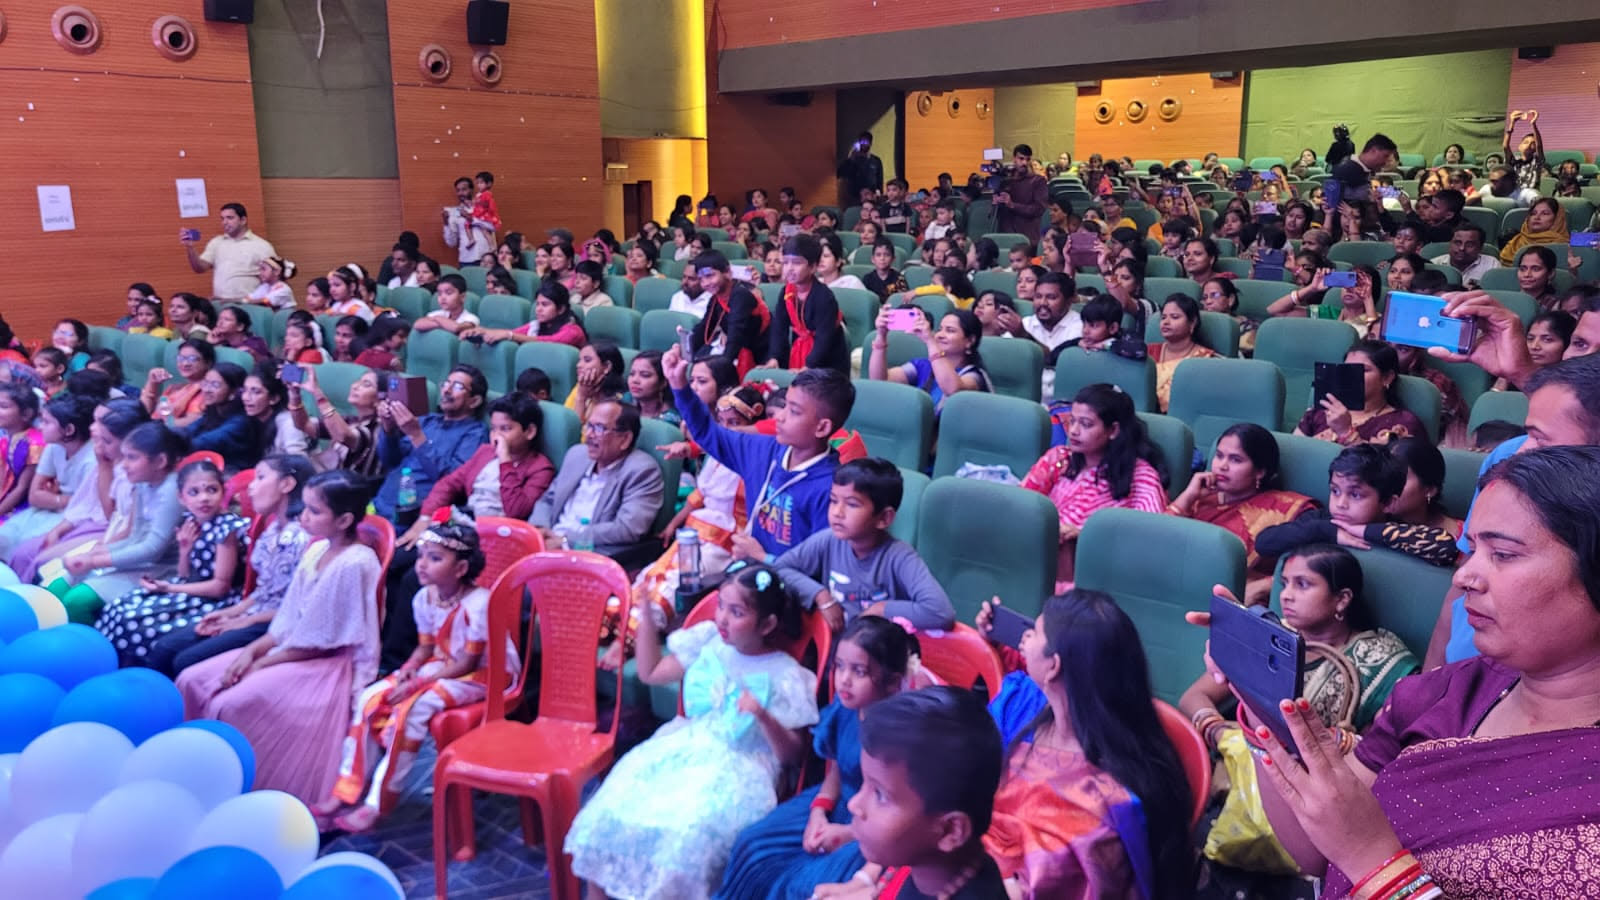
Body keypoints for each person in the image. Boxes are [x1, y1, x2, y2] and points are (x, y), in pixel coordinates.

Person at [1245, 447, 1600, 898]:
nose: (1464, 577)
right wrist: (1261, 706)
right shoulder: (1443, 691)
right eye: (1472, 550)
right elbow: (1319, 851)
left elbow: (1354, 849)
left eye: (1503, 554)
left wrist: (1373, 862)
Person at [565, 562, 820, 899]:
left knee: (687, 835)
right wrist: (644, 616)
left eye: (737, 612)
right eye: (721, 606)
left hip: (741, 766)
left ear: (767, 624)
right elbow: (651, 672)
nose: (722, 619)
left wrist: (763, 716)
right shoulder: (709, 641)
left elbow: (793, 758)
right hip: (684, 745)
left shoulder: (784, 674)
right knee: (609, 811)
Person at [1184, 546, 1418, 877]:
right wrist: (1221, 734)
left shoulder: (1380, 662)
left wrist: (1325, 743)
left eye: (1303, 584)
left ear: (1342, 599)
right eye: (1284, 583)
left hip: (1329, 817)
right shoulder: (1270, 638)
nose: (1286, 595)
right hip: (1247, 783)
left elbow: (1380, 757)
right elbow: (1194, 697)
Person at [177, 469, 381, 806]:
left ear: (344, 520)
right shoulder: (317, 550)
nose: (304, 516)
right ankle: (197, 774)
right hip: (291, 647)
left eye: (314, 511)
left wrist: (260, 663)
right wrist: (252, 651)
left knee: (230, 702)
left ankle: (236, 786)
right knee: (190, 679)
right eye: (306, 507)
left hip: (325, 662)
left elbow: (320, 641)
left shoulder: (354, 564)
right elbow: (287, 619)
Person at [325, 516, 513, 830]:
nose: (422, 564)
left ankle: (378, 802)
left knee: (413, 709)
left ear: (461, 569)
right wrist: (408, 670)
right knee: (370, 698)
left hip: (485, 674)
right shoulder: (424, 597)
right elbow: (426, 648)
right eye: (422, 556)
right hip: (443, 664)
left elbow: (468, 663)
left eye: (435, 558)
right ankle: (348, 787)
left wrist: (416, 686)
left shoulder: (479, 605)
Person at [717, 615, 913, 899]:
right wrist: (818, 813)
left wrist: (850, 832)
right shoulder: (846, 708)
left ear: (893, 682)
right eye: (840, 666)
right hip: (836, 802)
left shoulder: (901, 737)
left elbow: (902, 815)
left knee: (802, 885)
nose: (844, 680)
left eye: (859, 671)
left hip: (874, 829)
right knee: (752, 845)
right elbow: (837, 771)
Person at [811, 686, 1007, 899]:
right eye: (864, 784)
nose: (854, 804)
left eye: (880, 794)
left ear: (950, 830)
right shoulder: (926, 863)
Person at [667, 345, 851, 561]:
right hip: (749, 568)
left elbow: (821, 567)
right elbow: (709, 433)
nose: (779, 417)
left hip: (783, 578)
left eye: (793, 411)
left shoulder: (831, 488)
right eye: (784, 406)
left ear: (822, 427)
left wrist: (764, 559)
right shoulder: (763, 449)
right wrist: (679, 385)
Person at [146, 455, 314, 676]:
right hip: (254, 611)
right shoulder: (273, 529)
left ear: (286, 484)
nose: (250, 487)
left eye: (260, 477)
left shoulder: (299, 538)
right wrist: (229, 613)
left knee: (183, 659)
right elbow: (264, 591)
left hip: (275, 623)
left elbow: (293, 606)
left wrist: (243, 620)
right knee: (165, 647)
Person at [93, 457, 249, 665]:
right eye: (194, 492)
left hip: (216, 601)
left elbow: (220, 587)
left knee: (133, 622)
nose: (204, 498)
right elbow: (185, 574)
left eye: (211, 490)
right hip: (191, 589)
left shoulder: (226, 529)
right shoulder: (192, 520)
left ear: (223, 491)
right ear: (181, 498)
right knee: (117, 608)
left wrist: (169, 588)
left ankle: (138, 674)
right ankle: (105, 666)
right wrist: (185, 550)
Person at [775, 459, 955, 633]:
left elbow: (940, 612)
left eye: (852, 504)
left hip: (878, 650)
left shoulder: (900, 556)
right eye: (833, 500)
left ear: (884, 518)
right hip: (833, 648)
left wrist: (881, 609)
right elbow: (780, 569)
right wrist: (820, 595)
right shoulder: (828, 540)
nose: (837, 512)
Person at [1023, 384, 1167, 586]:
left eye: (1086, 424)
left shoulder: (1141, 478)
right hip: (1037, 559)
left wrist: (1085, 537)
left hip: (1099, 578)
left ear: (1113, 430)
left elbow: (1149, 541)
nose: (1073, 431)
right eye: (1072, 421)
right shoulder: (1058, 459)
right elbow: (1020, 508)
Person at [44, 422, 185, 624]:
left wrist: (96, 561)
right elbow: (135, 536)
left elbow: (153, 549)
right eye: (124, 457)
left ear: (160, 461)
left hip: (160, 570)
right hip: (135, 560)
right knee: (57, 588)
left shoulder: (171, 491)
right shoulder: (143, 485)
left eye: (132, 458)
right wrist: (94, 554)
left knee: (76, 601)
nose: (124, 464)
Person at [1255, 444, 1458, 568]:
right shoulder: (1321, 521)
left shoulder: (1397, 528)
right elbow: (1264, 543)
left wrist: (1364, 531)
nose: (1341, 504)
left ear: (1388, 503)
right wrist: (1326, 530)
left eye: (1355, 495)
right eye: (1335, 491)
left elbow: (1446, 548)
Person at [1168, 422, 1318, 582]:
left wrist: (1265, 585)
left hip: (1242, 592)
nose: (1222, 466)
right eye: (1219, 456)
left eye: (1236, 460)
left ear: (1260, 472)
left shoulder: (1285, 508)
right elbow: (1160, 545)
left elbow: (1312, 568)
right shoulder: (1199, 497)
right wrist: (1187, 496)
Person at [530, 399, 663, 558]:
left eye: (599, 428)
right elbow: (548, 500)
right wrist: (539, 530)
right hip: (547, 544)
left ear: (625, 439)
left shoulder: (641, 470)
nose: (588, 435)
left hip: (588, 553)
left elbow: (627, 529)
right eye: (588, 425)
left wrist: (565, 541)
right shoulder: (576, 455)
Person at [373, 365, 489, 521]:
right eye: (446, 383)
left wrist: (417, 436)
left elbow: (452, 480)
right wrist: (388, 428)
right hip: (381, 504)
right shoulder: (427, 421)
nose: (446, 390)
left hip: (416, 516)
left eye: (457, 386)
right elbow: (390, 461)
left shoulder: (475, 434)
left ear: (474, 401)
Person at [0, 392, 95, 562]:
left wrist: (52, 499)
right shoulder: (54, 446)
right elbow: (34, 497)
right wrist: (64, 500)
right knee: (4, 536)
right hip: (46, 510)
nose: (40, 427)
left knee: (27, 548)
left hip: (72, 518)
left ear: (69, 430)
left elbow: (84, 506)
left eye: (46, 422)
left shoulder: (92, 461)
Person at [1295, 341, 1426, 446]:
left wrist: (1346, 432)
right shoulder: (1322, 411)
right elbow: (1295, 455)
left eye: (1363, 370)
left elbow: (1392, 469)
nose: (1350, 376)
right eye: (1347, 369)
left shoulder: (1403, 424)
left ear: (1387, 378)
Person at [869, 307, 990, 414]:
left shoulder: (974, 375)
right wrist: (881, 335)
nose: (940, 335)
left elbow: (952, 389)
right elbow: (880, 381)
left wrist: (930, 341)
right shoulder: (922, 366)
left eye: (950, 330)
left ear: (970, 341)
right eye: (939, 329)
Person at [768, 233, 849, 373]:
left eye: (797, 263)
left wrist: (808, 367)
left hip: (828, 363)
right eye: (785, 262)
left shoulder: (824, 297)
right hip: (799, 355)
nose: (789, 268)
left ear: (813, 267)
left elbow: (824, 339)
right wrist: (775, 357)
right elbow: (779, 328)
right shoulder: (786, 292)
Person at [692, 251, 772, 377]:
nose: (705, 283)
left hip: (762, 357)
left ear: (727, 272)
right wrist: (684, 350)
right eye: (701, 279)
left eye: (709, 276)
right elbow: (704, 328)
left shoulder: (740, 295)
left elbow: (735, 334)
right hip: (738, 352)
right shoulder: (716, 298)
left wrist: (722, 368)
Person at [292, 366, 382, 478]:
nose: (355, 386)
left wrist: (318, 393)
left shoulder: (376, 429)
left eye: (366, 384)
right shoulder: (350, 420)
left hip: (353, 486)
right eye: (358, 381)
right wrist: (294, 394)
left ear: (380, 399)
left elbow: (343, 436)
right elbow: (304, 424)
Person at [1003, 272, 1081, 402]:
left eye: (1051, 297)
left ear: (1068, 301)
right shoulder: (1026, 323)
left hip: (1063, 403)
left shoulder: (1081, 327)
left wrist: (1023, 335)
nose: (1042, 303)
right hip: (1024, 399)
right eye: (1038, 296)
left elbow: (1055, 359)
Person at [180, 202, 276, 300]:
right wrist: (190, 247)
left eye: (230, 218)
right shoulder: (216, 243)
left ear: (243, 220)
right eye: (222, 218)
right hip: (220, 303)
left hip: (247, 304)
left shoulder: (262, 246)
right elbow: (199, 268)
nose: (224, 222)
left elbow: (276, 277)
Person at [177, 362, 263, 468]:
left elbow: (203, 443)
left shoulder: (241, 422)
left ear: (233, 392)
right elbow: (189, 430)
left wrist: (170, 442)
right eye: (205, 383)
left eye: (215, 385)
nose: (207, 390)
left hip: (233, 472)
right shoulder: (213, 411)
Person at [1148, 293, 1220, 412]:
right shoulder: (1148, 352)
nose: (1166, 322)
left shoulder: (1205, 360)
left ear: (1192, 323)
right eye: (1163, 317)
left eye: (1174, 317)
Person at [140, 339, 213, 427]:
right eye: (180, 358)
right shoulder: (176, 388)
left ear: (208, 363)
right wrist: (152, 382)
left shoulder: (205, 391)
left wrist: (151, 426)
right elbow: (144, 410)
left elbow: (191, 423)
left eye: (192, 359)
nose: (185, 363)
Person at [0, 384, 44, 527]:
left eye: (3, 406)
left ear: (26, 414)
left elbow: (23, 488)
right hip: (7, 496)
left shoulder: (35, 444)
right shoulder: (6, 440)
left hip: (25, 504)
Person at [243, 365, 308, 459]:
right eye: (244, 390)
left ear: (274, 399)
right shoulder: (251, 420)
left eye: (256, 392)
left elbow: (299, 463)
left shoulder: (289, 423)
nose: (245, 397)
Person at [994, 144, 1048, 237]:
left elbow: (1039, 209)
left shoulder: (1038, 181)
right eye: (1021, 158)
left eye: (1027, 159)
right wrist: (996, 202)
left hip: (1028, 234)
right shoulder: (1006, 181)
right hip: (1005, 232)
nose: (1024, 163)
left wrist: (1012, 205)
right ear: (1014, 159)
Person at [1499, 198, 1568, 267]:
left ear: (1557, 219)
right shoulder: (1514, 243)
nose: (1537, 217)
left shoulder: (1564, 246)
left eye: (1545, 213)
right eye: (1533, 214)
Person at [443, 176, 494, 267]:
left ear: (471, 190)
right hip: (467, 260)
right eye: (458, 190)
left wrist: (471, 218)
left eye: (464, 189)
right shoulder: (454, 212)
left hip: (487, 258)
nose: (460, 193)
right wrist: (446, 222)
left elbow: (492, 227)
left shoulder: (484, 207)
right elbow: (451, 243)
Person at [1429, 223, 1499, 288]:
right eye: (1457, 243)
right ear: (1450, 244)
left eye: (1469, 245)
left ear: (1480, 248)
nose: (1462, 248)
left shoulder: (1491, 265)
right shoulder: (1434, 264)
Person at [1501, 108, 1547, 205]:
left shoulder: (1537, 161)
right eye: (1526, 142)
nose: (1529, 145)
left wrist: (1533, 124)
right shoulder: (1513, 161)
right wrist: (1512, 123)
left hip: (1530, 194)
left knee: (1531, 194)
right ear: (1519, 146)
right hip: (1515, 194)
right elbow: (1505, 146)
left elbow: (1539, 146)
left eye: (1532, 143)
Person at [409, 274, 479, 335]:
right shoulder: (439, 313)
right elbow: (417, 324)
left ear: (462, 297)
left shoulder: (471, 318)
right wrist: (444, 324)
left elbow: (456, 328)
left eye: (448, 293)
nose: (442, 297)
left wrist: (437, 318)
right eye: (439, 294)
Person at [623, 350, 680, 425]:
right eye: (632, 374)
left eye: (645, 375)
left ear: (663, 382)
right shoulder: (625, 400)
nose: (635, 380)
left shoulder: (671, 419)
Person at [837, 132, 885, 208]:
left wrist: (879, 193)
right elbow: (840, 173)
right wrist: (850, 159)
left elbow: (879, 179)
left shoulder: (876, 160)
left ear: (870, 143)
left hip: (871, 197)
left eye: (866, 142)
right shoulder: (852, 159)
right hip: (854, 197)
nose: (863, 144)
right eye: (862, 141)